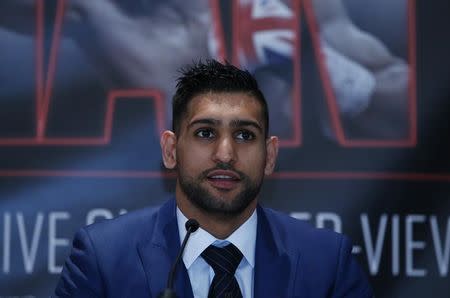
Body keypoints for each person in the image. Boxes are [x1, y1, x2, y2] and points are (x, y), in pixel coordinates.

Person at [54, 59, 373, 297]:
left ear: (270, 156)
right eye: (205, 133)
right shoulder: (103, 259)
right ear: (170, 150)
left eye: (245, 135)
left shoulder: (327, 263)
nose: (225, 154)